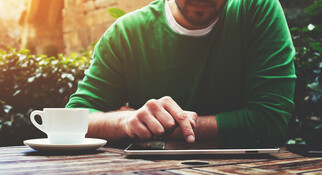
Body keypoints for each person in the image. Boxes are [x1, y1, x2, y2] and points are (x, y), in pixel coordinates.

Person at [66, 0, 296, 145]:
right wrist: (125, 121)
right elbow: (73, 120)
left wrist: (156, 130)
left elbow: (270, 123)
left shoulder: (257, 8)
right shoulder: (125, 34)